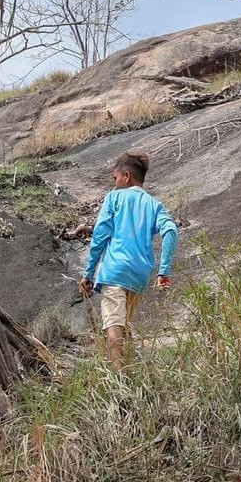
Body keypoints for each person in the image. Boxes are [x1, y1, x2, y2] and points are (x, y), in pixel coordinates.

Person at [78, 151, 178, 366]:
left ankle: (119, 383)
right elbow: (170, 231)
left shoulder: (114, 198)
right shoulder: (155, 204)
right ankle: (130, 371)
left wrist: (89, 273)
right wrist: (164, 271)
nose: (114, 183)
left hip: (115, 270)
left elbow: (100, 236)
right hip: (140, 275)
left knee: (114, 329)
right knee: (123, 325)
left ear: (126, 176)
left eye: (115, 178)